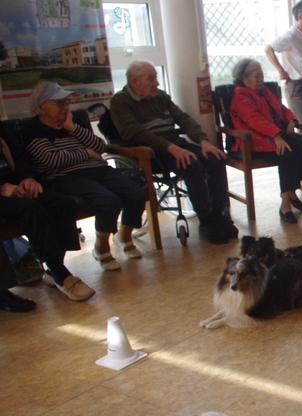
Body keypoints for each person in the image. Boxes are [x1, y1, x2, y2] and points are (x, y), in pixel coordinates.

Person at [23, 82, 146, 272]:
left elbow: (99, 147)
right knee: (108, 201)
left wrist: (73, 128)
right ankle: (101, 248)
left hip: (98, 170)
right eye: (58, 103)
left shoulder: (72, 124)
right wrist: (86, 153)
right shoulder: (33, 129)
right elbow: (51, 160)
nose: (65, 107)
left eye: (65, 102)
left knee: (136, 194)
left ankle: (124, 235)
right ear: (41, 108)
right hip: (66, 177)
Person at [110, 61, 234, 245]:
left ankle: (218, 214)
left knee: (215, 157)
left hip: (175, 144)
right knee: (192, 165)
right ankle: (206, 221)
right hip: (152, 152)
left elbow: (183, 118)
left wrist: (203, 141)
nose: (157, 83)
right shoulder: (120, 101)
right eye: (151, 79)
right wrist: (169, 147)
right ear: (135, 82)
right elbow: (132, 131)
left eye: (156, 78)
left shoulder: (160, 96)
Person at [0, 132, 95, 305]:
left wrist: (28, 178)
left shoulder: (4, 131)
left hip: (17, 185)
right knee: (31, 209)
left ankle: (54, 268)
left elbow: (20, 157)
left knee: (64, 204)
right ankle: (60, 273)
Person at [229, 59, 302, 224]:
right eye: (256, 76)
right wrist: (276, 136)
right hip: (254, 140)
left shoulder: (265, 91)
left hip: (278, 134)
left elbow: (283, 109)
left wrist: (291, 121)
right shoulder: (240, 94)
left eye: (261, 75)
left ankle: (292, 191)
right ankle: (285, 206)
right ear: (244, 78)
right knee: (287, 154)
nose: (260, 79)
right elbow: (253, 120)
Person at [264, 1, 302, 124]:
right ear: (300, 17)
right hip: (296, 85)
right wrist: (281, 70)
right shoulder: (290, 36)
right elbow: (268, 49)